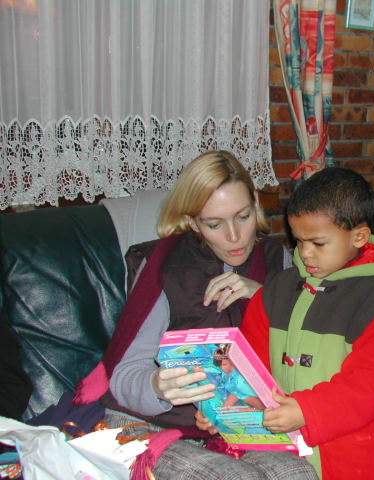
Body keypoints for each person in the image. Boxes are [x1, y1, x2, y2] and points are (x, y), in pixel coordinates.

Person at [72, 150, 317, 479]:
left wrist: (263, 297)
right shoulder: (163, 266)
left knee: (299, 475)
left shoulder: (277, 258)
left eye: (243, 216)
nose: (234, 236)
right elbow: (123, 376)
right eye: (214, 224)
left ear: (256, 202)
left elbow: (303, 351)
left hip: (237, 421)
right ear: (192, 222)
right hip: (148, 424)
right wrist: (157, 387)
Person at [198, 167, 374, 479]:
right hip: (297, 457)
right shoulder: (277, 292)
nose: (305, 253)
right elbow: (249, 366)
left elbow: (371, 384)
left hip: (368, 459)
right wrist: (226, 406)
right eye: (299, 240)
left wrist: (307, 411)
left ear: (359, 236)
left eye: (318, 243)